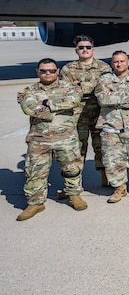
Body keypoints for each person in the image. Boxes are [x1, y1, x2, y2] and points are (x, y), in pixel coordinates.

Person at [16, 58, 88, 220]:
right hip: (39, 139)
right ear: (37, 72)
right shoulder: (29, 90)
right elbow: (28, 108)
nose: (47, 73)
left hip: (66, 138)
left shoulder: (69, 87)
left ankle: (74, 195)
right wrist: (59, 106)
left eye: (51, 70)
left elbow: (74, 100)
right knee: (35, 171)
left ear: (57, 71)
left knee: (72, 168)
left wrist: (47, 104)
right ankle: (35, 202)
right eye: (43, 71)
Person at [94, 51, 129, 203]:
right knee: (113, 161)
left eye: (122, 61)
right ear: (112, 63)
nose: (119, 64)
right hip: (111, 127)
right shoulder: (104, 79)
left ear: (128, 62)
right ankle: (119, 188)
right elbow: (102, 99)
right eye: (116, 61)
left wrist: (114, 97)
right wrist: (128, 99)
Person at [59, 35, 111, 189]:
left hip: (99, 115)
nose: (85, 50)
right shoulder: (68, 69)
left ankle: (105, 178)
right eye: (81, 47)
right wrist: (92, 87)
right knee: (76, 150)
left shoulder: (104, 68)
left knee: (101, 147)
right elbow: (64, 92)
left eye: (88, 47)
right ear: (76, 50)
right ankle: (73, 184)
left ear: (93, 50)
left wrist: (80, 87)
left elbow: (107, 89)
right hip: (76, 116)